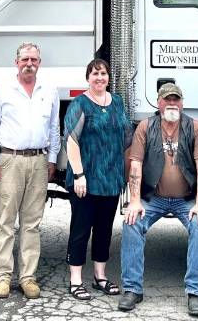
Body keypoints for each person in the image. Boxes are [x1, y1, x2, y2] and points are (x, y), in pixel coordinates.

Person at [119, 83, 198, 317]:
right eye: (167, 99)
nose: (172, 103)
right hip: (154, 197)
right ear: (158, 103)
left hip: (185, 199)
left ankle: (196, 292)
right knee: (131, 223)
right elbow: (136, 164)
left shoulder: (195, 127)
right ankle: (132, 289)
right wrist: (135, 200)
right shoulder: (146, 126)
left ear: (182, 103)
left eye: (176, 100)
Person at [0, 42, 61, 299]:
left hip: (38, 161)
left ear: (40, 63)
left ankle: (28, 278)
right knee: (5, 221)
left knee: (31, 223)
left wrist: (51, 160)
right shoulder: (4, 89)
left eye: (34, 59)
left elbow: (54, 129)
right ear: (16, 62)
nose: (29, 63)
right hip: (9, 160)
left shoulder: (49, 90)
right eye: (25, 59)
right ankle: (2, 277)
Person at [64, 59, 132, 300]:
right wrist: (79, 175)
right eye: (95, 74)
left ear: (108, 77)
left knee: (104, 230)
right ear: (88, 78)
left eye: (103, 74)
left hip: (111, 180)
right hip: (86, 179)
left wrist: (124, 175)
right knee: (81, 229)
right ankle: (75, 280)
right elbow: (71, 140)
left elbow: (126, 140)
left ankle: (100, 277)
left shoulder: (118, 103)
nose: (100, 78)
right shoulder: (80, 104)